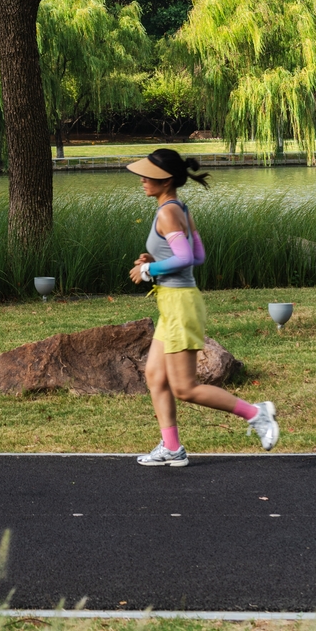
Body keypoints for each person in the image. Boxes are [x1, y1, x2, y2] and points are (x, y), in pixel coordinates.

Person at [126, 149, 279, 466]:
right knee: (155, 376)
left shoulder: (168, 213)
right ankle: (172, 448)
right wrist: (157, 260)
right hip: (173, 304)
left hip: (180, 305)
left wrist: (148, 270)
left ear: (165, 178)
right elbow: (196, 257)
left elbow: (185, 259)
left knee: (185, 388)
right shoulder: (179, 208)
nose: (142, 179)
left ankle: (256, 413)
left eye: (148, 174)